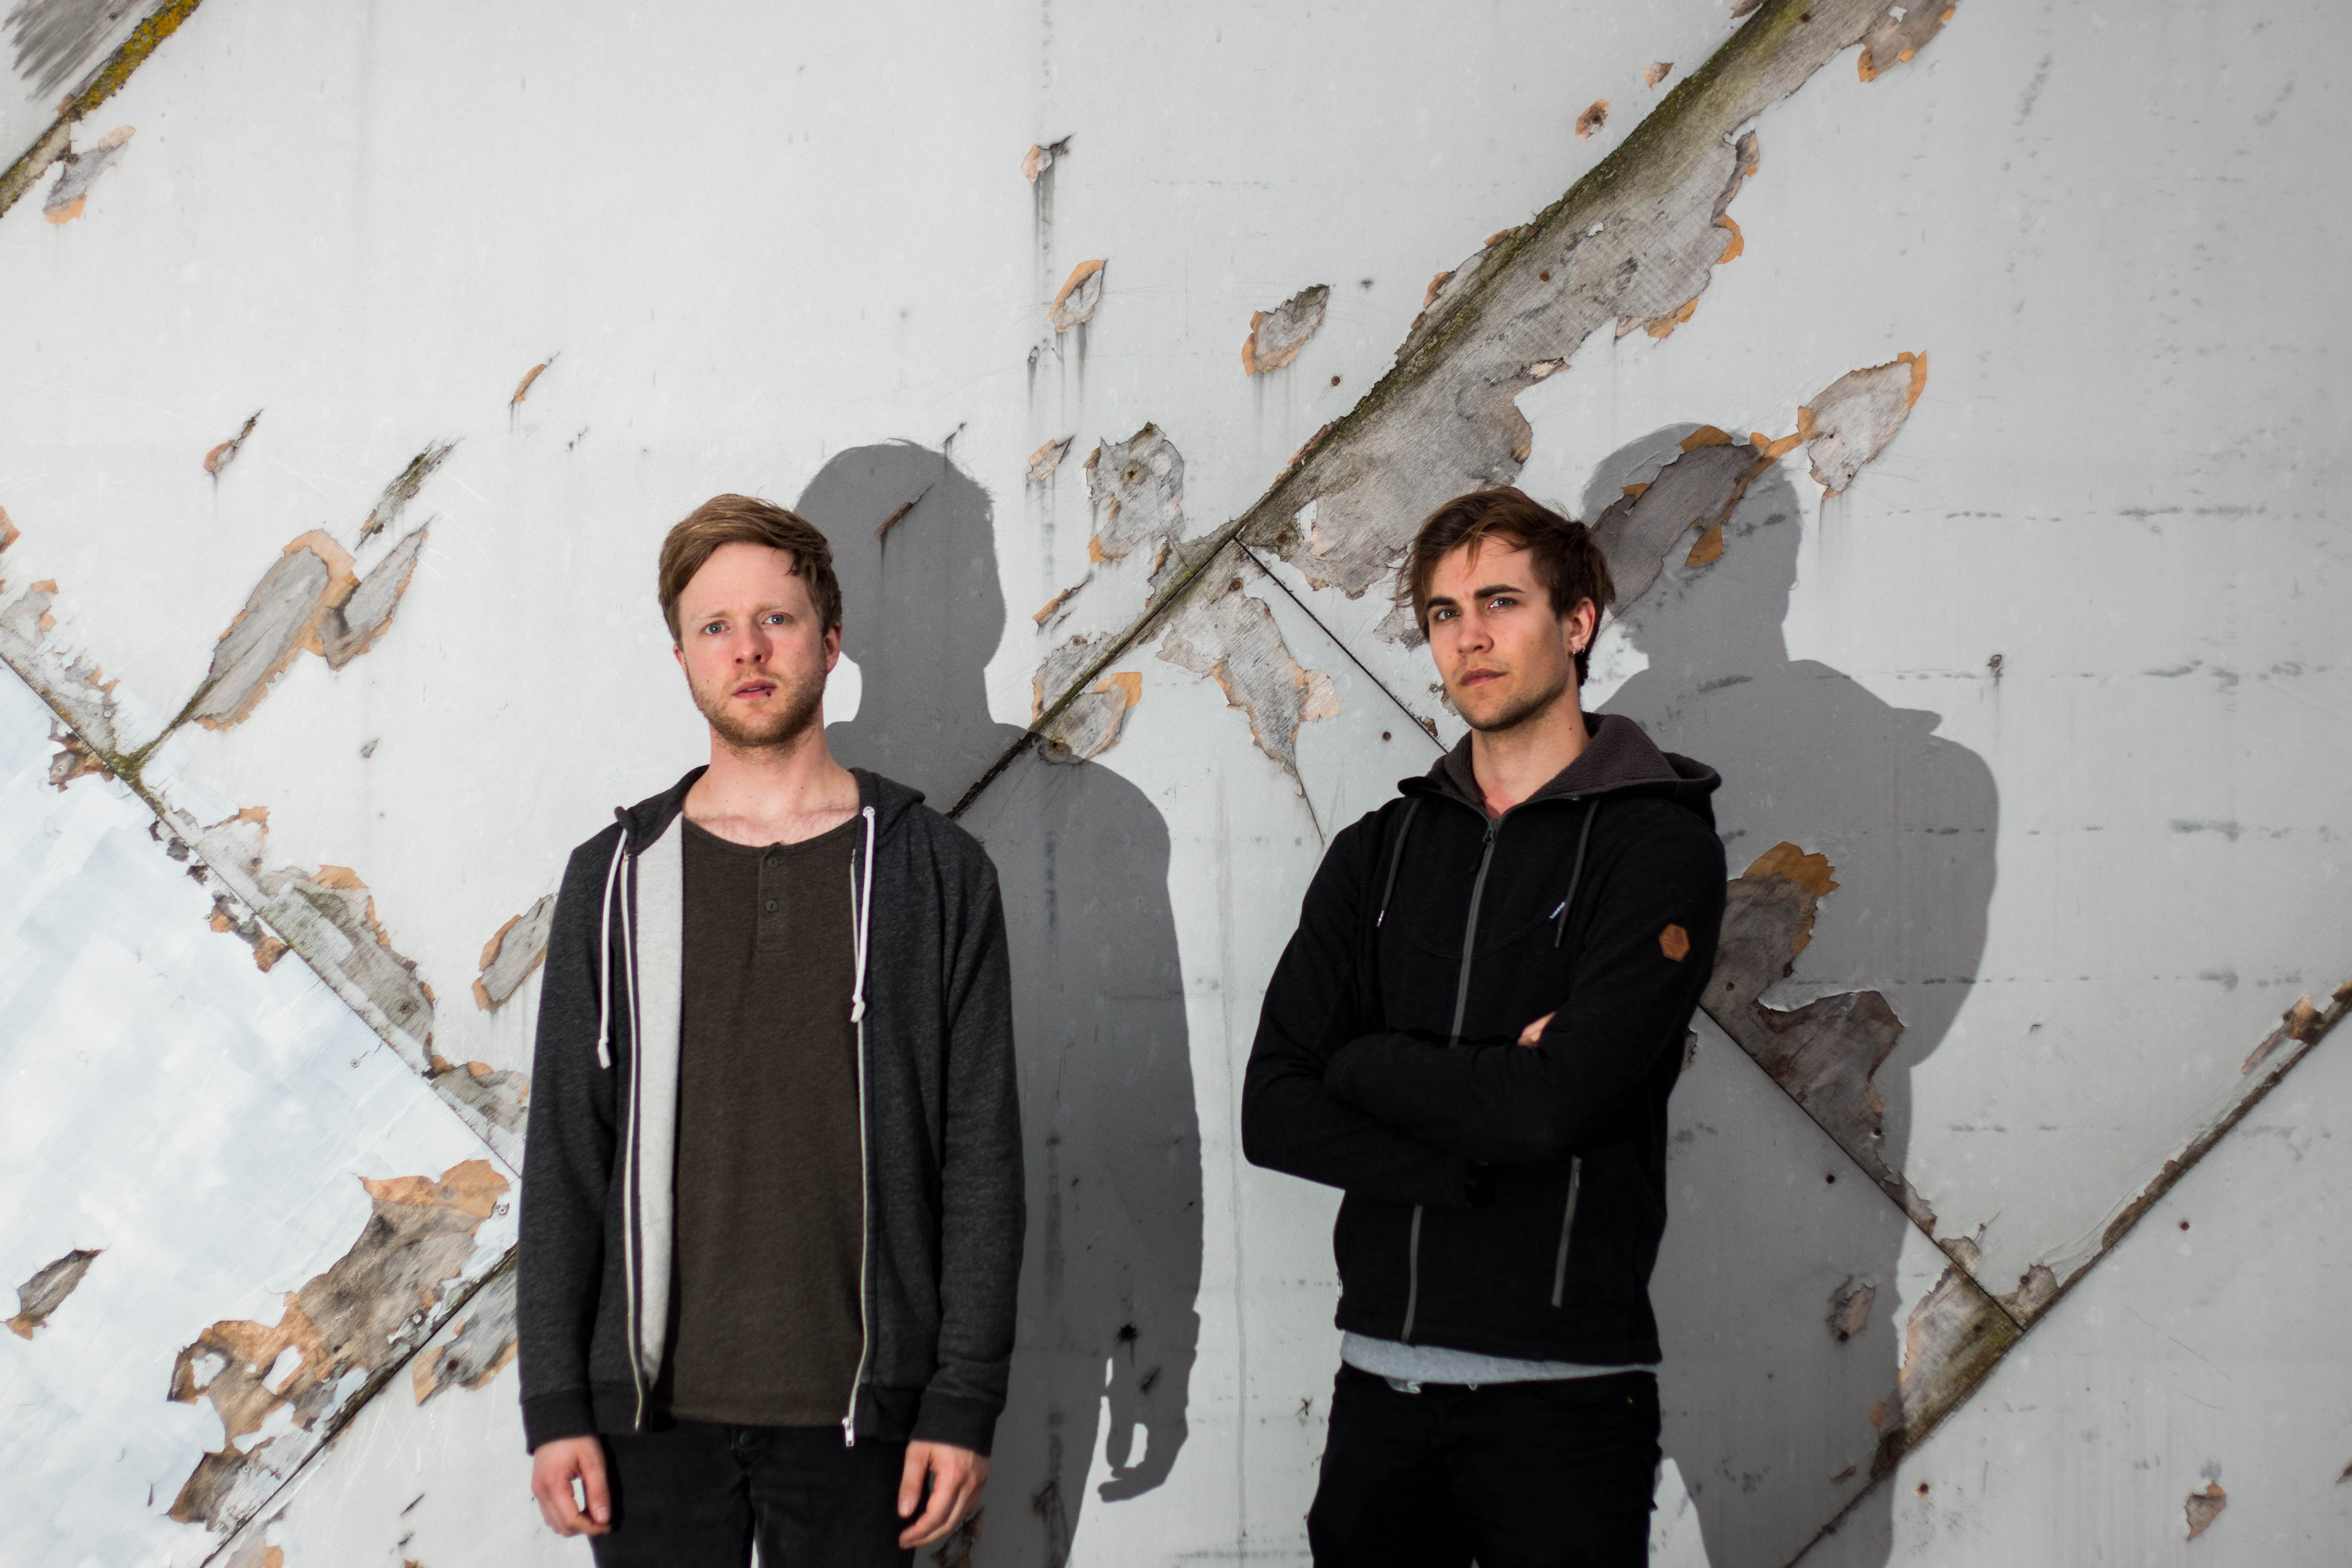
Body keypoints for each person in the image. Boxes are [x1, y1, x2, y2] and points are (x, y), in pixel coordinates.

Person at [514, 494, 1024, 1566]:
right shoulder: (614, 881)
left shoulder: (935, 872)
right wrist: (555, 1400)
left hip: (868, 1418)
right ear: (682, 658)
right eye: (715, 626)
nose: (747, 649)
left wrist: (964, 1398)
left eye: (775, 620)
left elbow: (982, 1155)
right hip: (647, 1421)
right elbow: (566, 1150)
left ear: (831, 640)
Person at [1243, 487, 1728, 1567]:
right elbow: (1273, 1112)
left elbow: (1551, 1107)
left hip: (1565, 1408)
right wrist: (1465, 1151)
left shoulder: (1657, 847)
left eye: (1501, 602)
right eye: (1444, 613)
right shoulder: (1379, 852)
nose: (1470, 637)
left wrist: (1360, 1063)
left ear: (1578, 621)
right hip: (1378, 1395)